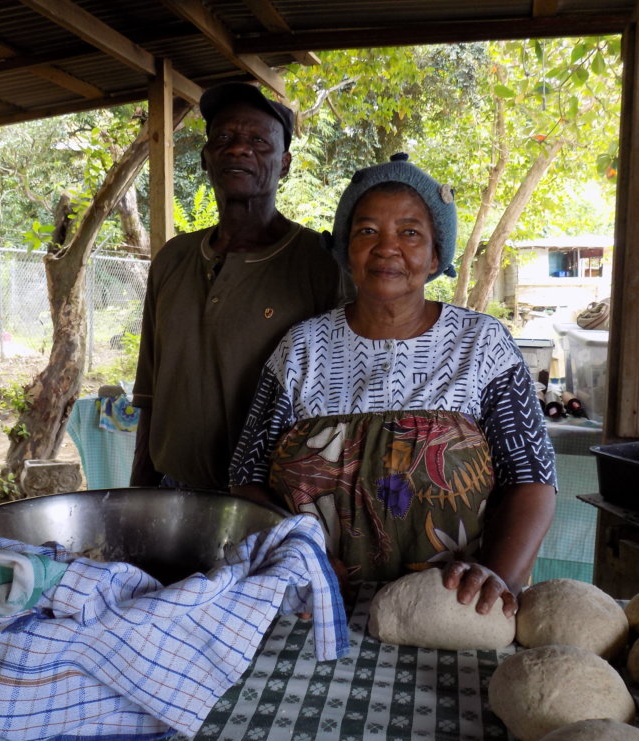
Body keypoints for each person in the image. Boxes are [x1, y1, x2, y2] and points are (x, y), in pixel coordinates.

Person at [229, 154, 556, 617]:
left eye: (409, 232)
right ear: (345, 250)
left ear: (436, 255)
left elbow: (532, 478)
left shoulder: (481, 344)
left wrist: (495, 575)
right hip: (315, 605)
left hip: (454, 609)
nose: (386, 248)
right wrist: (300, 554)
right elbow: (246, 477)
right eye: (366, 231)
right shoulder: (302, 347)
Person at [129, 83, 348, 491]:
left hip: (274, 500)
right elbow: (150, 395)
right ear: (205, 159)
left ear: (284, 164)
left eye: (258, 141)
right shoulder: (173, 259)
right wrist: (138, 496)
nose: (238, 149)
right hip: (173, 493)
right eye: (224, 138)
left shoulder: (320, 263)